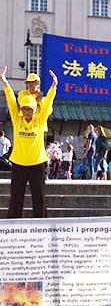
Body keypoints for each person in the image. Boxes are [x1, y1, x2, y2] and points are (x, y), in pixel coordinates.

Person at [1, 66, 57, 218]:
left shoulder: (40, 119)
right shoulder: (17, 119)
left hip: (37, 163)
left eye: (30, 109)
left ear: (34, 109)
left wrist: (53, 87)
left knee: (39, 197)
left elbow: (47, 105)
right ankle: (13, 223)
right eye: (24, 109)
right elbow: (11, 100)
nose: (27, 112)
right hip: (19, 163)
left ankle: (40, 223)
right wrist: (5, 82)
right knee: (16, 196)